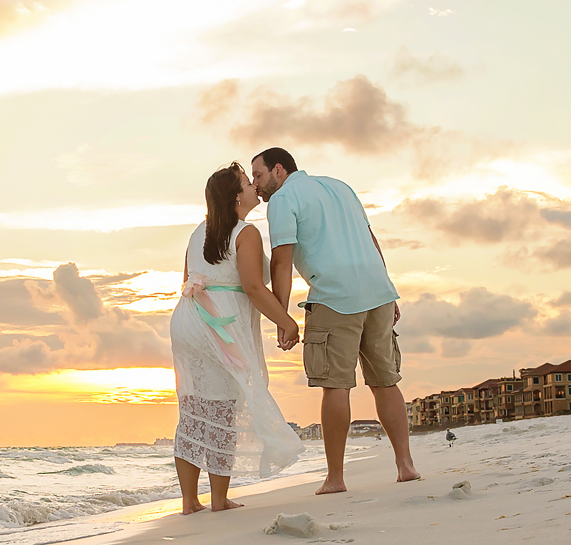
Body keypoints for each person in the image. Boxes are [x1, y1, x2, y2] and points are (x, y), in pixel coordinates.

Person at [251, 146, 422, 493]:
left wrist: (283, 317)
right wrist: (388, 289)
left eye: (259, 175)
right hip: (377, 291)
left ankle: (335, 478)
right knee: (385, 381)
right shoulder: (340, 186)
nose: (256, 185)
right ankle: (405, 465)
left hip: (335, 296)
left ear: (279, 170)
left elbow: (280, 262)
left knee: (335, 385)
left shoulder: (284, 199)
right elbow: (370, 239)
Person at [168, 163, 304, 513]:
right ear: (235, 196)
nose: (254, 187)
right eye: (247, 183)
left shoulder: (199, 232)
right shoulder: (246, 232)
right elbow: (253, 287)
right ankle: (218, 500)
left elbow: (187, 278)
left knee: (195, 408)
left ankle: (188, 502)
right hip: (219, 324)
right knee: (225, 406)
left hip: (188, 320)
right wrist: (286, 321)